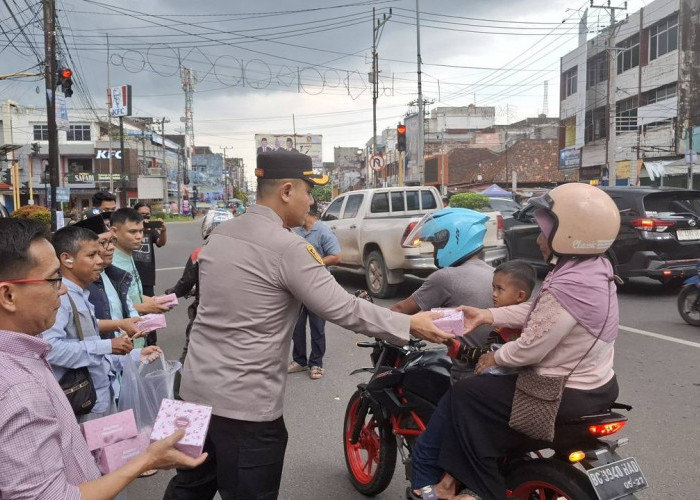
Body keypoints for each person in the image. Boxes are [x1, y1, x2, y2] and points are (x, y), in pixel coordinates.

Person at [165, 152, 453, 499]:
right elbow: (343, 307)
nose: (311, 201)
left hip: (192, 390)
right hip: (244, 409)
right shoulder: (289, 248)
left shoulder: (219, 237)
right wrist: (410, 324)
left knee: (188, 486)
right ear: (286, 190)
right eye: (308, 191)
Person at [418, 183, 622, 500]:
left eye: (544, 231)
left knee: (467, 393)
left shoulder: (571, 282)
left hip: (560, 390)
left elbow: (530, 348)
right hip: (598, 385)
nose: (539, 238)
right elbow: (542, 310)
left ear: (569, 234)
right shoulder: (593, 268)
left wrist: (494, 359)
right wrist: (488, 315)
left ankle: (475, 489)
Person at [0, 218, 207, 499]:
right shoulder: (19, 390)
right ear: (8, 295)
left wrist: (127, 355)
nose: (61, 289)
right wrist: (146, 459)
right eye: (53, 279)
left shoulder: (26, 352)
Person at [409, 260, 536, 497]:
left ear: (519, 296)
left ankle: (443, 487)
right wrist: (456, 348)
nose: (493, 294)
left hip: (490, 395)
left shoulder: (510, 326)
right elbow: (483, 355)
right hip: (511, 397)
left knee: (428, 451)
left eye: (500, 289)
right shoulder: (525, 321)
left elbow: (491, 357)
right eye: (494, 288)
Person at [41, 226, 159, 422]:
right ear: (66, 259)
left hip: (101, 397)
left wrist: (135, 356)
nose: (100, 260)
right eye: (92, 255)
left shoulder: (82, 294)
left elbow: (94, 359)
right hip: (83, 405)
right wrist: (108, 346)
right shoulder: (61, 298)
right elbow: (51, 349)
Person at [391, 207, 496, 382]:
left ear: (451, 241)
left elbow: (400, 309)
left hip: (468, 376)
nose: (434, 251)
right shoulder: (494, 272)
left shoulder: (445, 277)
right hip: (498, 368)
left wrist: (373, 322)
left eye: (435, 245)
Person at [165, 208, 235, 398]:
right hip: (235, 315)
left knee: (190, 353)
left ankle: (179, 395)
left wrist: (170, 294)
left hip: (205, 314)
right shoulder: (242, 253)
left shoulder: (200, 253)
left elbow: (185, 283)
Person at [288, 200, 342, 379]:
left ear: (309, 213)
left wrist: (315, 263)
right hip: (297, 286)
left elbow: (336, 256)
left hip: (318, 286)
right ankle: (300, 360)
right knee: (297, 325)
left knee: (317, 326)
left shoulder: (324, 232)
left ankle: (316, 363)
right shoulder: (297, 232)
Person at [75, 214, 144, 340]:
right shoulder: (77, 284)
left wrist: (139, 324)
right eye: (103, 243)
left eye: (111, 241)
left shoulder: (117, 276)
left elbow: (127, 308)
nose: (111, 247)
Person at [110, 208, 171, 348]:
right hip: (122, 344)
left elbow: (132, 295)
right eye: (132, 232)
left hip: (137, 340)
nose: (139, 236)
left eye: (141, 231)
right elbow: (110, 310)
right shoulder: (110, 264)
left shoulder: (129, 255)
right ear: (114, 232)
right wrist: (144, 307)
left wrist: (155, 301)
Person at [134, 202, 168, 346]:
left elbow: (161, 242)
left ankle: (151, 342)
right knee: (134, 309)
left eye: (147, 214)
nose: (145, 216)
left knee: (150, 313)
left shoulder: (149, 230)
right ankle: (135, 339)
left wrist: (163, 231)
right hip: (132, 277)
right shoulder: (131, 231)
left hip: (147, 278)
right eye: (142, 214)